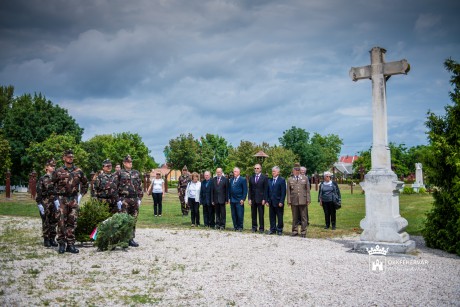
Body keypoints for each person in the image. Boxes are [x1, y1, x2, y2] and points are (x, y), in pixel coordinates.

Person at [54, 149, 89, 254]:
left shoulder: (78, 171)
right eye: (68, 157)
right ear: (64, 158)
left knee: (72, 222)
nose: (70, 158)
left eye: (72, 157)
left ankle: (70, 244)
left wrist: (81, 195)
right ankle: (61, 244)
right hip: (62, 199)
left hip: (73, 199)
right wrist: (55, 198)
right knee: (61, 222)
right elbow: (52, 185)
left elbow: (85, 183)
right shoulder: (58, 171)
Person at [114, 155, 143, 247]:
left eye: (130, 162)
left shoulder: (136, 173)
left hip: (134, 199)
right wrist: (118, 199)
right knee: (124, 219)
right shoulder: (119, 173)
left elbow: (139, 186)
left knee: (133, 219)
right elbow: (114, 187)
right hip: (124, 199)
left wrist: (140, 198)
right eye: (128, 162)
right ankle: (123, 239)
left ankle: (131, 238)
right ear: (124, 163)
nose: (130, 163)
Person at [35, 158, 58, 247]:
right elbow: (39, 192)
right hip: (45, 202)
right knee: (46, 221)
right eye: (51, 166)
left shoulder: (56, 178)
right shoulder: (43, 178)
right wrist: (39, 204)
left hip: (54, 202)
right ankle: (46, 239)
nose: (53, 168)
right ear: (47, 167)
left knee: (54, 221)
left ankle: (52, 238)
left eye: (54, 166)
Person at [287, 163, 311, 238]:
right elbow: (288, 191)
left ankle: (303, 232)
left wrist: (308, 199)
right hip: (294, 200)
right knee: (295, 217)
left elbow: (307, 190)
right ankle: (294, 231)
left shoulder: (305, 178)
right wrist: (288, 200)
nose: (297, 171)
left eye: (298, 170)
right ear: (293, 171)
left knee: (304, 217)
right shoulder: (290, 179)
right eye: (295, 170)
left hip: (303, 200)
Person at [248, 163, 268, 233]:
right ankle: (254, 227)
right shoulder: (251, 177)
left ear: (260, 169)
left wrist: (264, 199)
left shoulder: (264, 178)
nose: (256, 169)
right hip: (253, 199)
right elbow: (250, 189)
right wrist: (249, 199)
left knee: (261, 215)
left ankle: (261, 228)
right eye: (255, 168)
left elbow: (266, 189)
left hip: (261, 199)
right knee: (253, 214)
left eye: (257, 168)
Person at [267, 166, 286, 235]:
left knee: (280, 216)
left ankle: (279, 229)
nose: (273, 173)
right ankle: (272, 229)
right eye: (272, 171)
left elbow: (283, 192)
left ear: (278, 172)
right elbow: (267, 191)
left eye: (274, 171)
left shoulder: (282, 180)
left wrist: (281, 201)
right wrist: (267, 201)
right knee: (271, 216)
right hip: (271, 202)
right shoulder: (269, 180)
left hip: (278, 202)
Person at [228, 167, 247, 232]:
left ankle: (240, 227)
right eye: (234, 171)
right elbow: (229, 190)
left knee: (240, 214)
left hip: (239, 200)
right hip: (232, 200)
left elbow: (245, 190)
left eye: (235, 171)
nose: (234, 173)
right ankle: (235, 226)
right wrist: (229, 198)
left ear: (239, 172)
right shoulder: (231, 180)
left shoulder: (243, 179)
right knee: (233, 214)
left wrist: (243, 199)